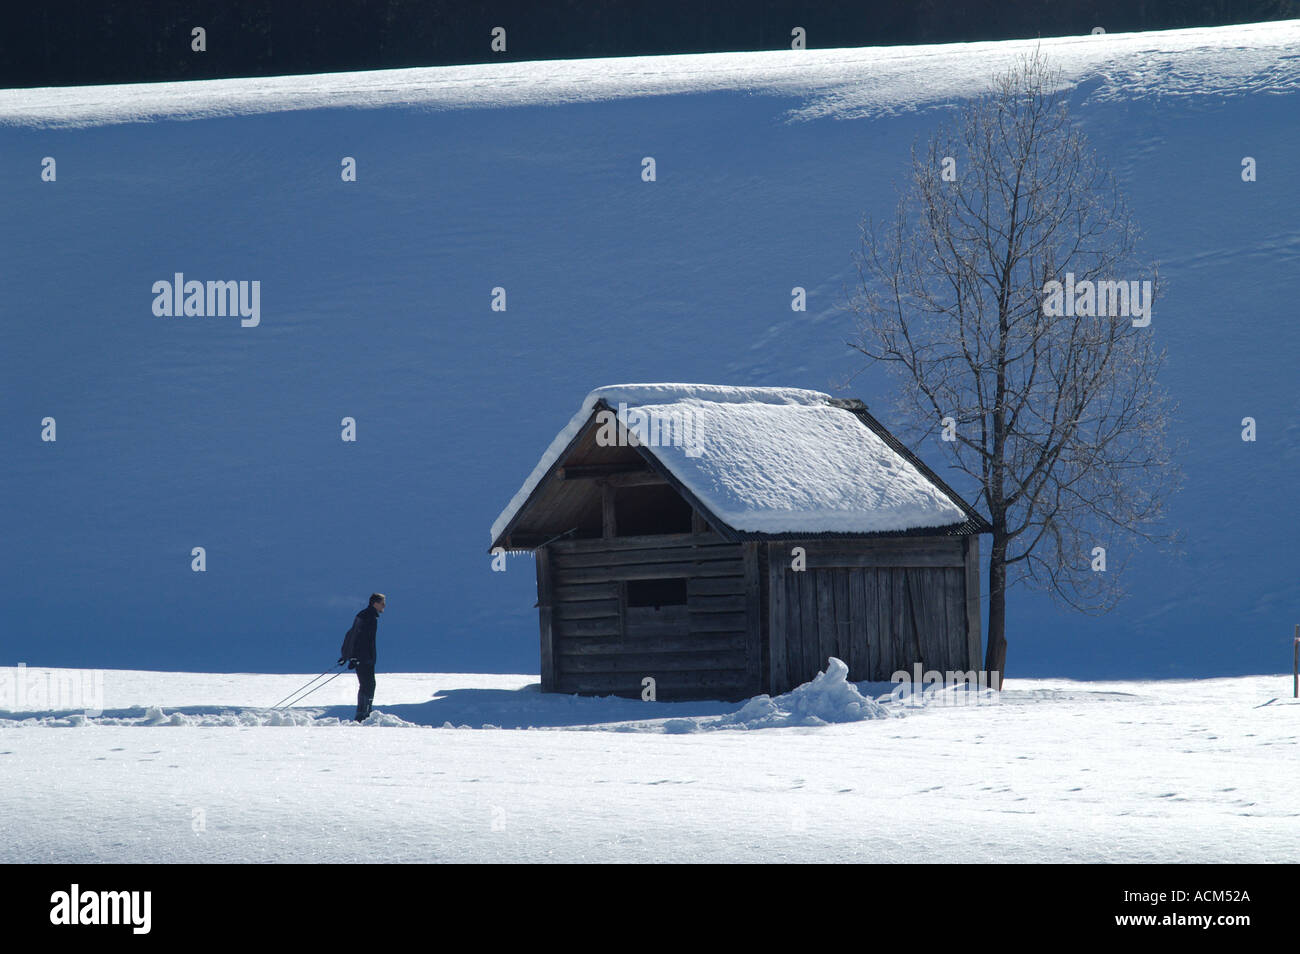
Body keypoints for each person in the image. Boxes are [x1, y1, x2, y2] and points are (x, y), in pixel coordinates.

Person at [339, 593, 386, 722]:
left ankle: (364, 713)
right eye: (382, 603)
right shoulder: (369, 617)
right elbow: (359, 638)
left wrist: (347, 655)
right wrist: (355, 657)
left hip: (365, 658)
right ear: (375, 603)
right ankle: (364, 714)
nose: (384, 606)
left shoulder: (365, 615)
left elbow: (351, 635)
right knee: (368, 685)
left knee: (367, 685)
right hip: (364, 659)